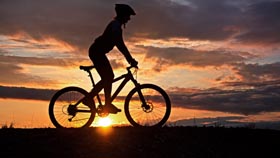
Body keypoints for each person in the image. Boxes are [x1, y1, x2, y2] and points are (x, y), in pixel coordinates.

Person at [83, 4, 138, 114]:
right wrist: (130, 59)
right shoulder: (115, 26)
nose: (129, 19)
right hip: (96, 52)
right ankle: (93, 100)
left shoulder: (116, 26)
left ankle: (104, 103)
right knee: (108, 77)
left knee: (108, 77)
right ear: (123, 15)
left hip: (98, 52)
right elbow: (120, 45)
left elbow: (120, 45)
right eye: (128, 16)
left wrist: (129, 59)